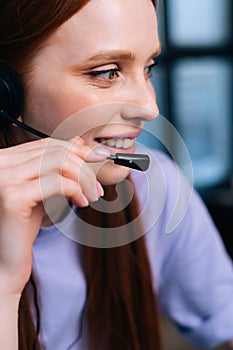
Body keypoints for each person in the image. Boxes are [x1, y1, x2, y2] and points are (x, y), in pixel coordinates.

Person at [0, 0, 233, 349]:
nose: (149, 108)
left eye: (149, 67)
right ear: (6, 92)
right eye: (108, 72)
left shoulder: (153, 185)